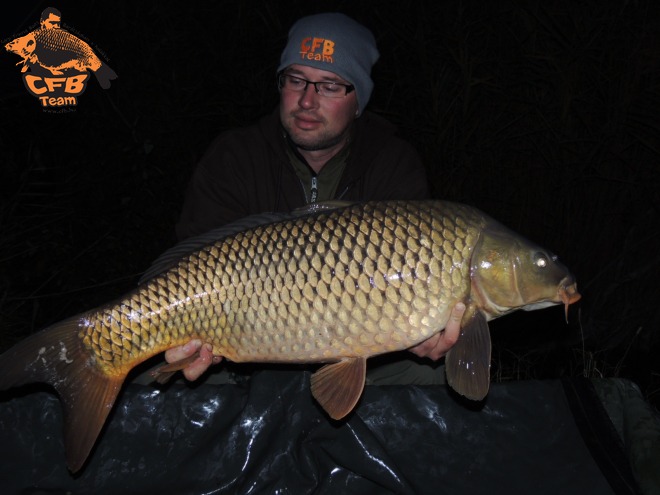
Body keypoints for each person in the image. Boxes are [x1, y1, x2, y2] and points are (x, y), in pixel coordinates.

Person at [160, 13, 465, 384]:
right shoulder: (234, 157)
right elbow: (190, 268)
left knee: (430, 375)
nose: (307, 100)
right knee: (165, 378)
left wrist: (425, 330)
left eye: (330, 86)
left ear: (359, 101)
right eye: (296, 80)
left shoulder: (393, 164)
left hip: (365, 354)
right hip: (249, 347)